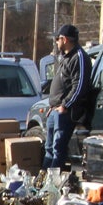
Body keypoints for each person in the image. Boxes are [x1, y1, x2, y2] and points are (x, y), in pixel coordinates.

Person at [42, 25, 92, 170]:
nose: (56, 43)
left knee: (58, 148)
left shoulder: (79, 57)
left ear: (64, 39)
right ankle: (42, 183)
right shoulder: (64, 57)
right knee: (49, 148)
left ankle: (53, 185)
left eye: (57, 39)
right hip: (54, 110)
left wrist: (65, 105)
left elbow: (79, 85)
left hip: (65, 112)